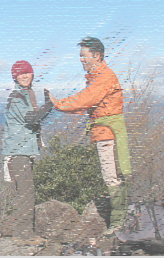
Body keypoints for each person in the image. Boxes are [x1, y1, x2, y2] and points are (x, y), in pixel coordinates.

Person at [48, 37, 133, 234]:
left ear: (97, 56)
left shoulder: (104, 78)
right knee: (112, 176)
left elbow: (86, 99)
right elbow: (90, 105)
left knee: (112, 177)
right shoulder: (99, 77)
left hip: (107, 134)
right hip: (105, 132)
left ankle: (118, 222)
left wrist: (59, 104)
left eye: (83, 56)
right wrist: (64, 107)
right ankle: (119, 218)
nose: (80, 60)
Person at [2, 60, 53, 246]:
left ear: (32, 74)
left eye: (27, 72)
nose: (24, 76)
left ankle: (22, 233)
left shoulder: (25, 94)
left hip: (23, 150)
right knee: (25, 193)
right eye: (20, 73)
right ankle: (24, 235)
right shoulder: (17, 97)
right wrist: (49, 104)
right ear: (15, 77)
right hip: (18, 152)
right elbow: (31, 119)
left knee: (24, 193)